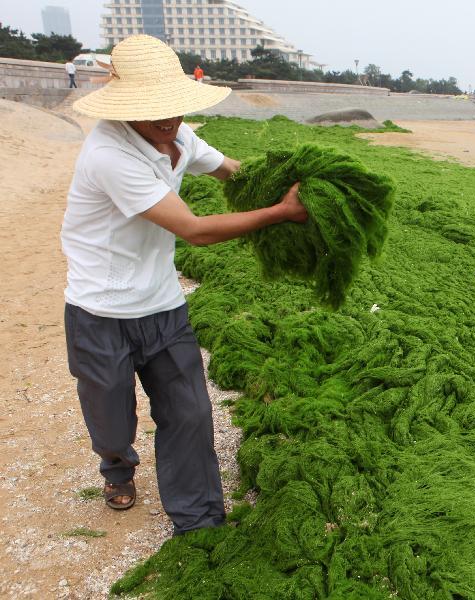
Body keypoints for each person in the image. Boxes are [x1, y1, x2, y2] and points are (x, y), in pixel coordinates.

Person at [64, 34, 308, 535]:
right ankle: (115, 466)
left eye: (173, 105)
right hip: (100, 310)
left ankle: (198, 520)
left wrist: (290, 184)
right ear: (127, 107)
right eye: (154, 108)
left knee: (191, 413)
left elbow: (231, 172)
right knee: (111, 419)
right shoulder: (110, 155)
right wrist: (282, 212)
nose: (167, 117)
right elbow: (194, 230)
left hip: (163, 304)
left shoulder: (179, 136)